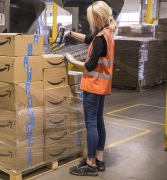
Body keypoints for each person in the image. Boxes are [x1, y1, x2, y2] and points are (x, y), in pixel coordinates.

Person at [64, 1, 117, 176]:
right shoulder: (107, 32)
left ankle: (90, 163)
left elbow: (89, 65)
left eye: (91, 18)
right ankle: (99, 160)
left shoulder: (101, 38)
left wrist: (72, 61)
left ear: (98, 17)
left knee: (91, 124)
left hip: (93, 85)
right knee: (99, 122)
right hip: (102, 86)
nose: (90, 22)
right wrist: (70, 33)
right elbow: (89, 39)